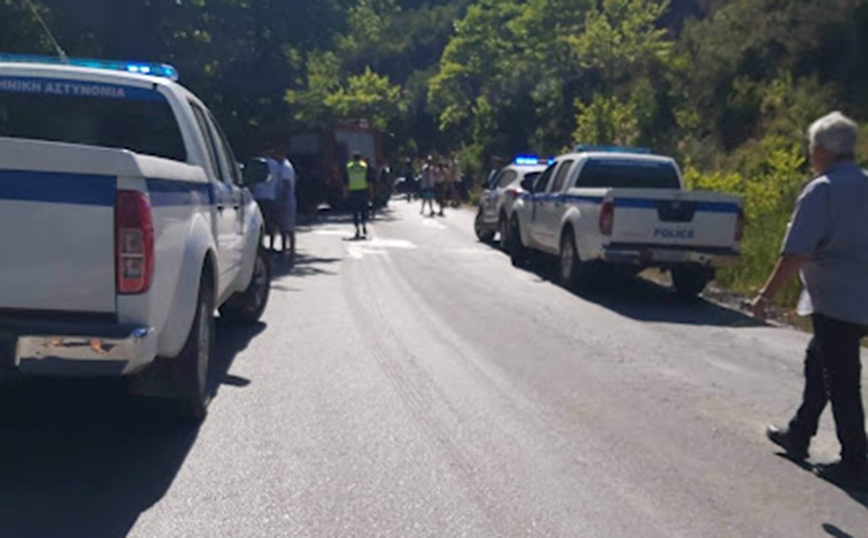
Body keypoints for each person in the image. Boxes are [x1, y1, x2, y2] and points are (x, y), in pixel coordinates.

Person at [751, 111, 868, 485]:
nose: (810, 153)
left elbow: (796, 252)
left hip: (836, 301)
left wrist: (765, 295)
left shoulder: (823, 190)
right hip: (862, 300)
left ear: (824, 149)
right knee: (818, 359)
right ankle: (799, 433)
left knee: (842, 379)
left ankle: (856, 461)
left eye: (812, 146)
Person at [274, 149, 297, 263]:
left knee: (289, 229)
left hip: (287, 201)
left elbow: (287, 186)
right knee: (283, 229)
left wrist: (283, 201)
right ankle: (284, 251)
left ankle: (291, 253)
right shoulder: (282, 166)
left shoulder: (285, 167)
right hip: (285, 200)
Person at [253, 152, 280, 251]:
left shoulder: (257, 163)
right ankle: (272, 245)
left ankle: (260, 244)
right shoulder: (275, 164)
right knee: (272, 222)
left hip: (259, 195)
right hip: (271, 196)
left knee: (259, 221)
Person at [344, 151, 373, 239]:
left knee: (355, 211)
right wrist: (371, 193)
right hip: (363, 191)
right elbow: (369, 181)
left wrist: (345, 193)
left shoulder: (348, 167)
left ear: (353, 158)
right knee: (364, 210)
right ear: (360, 158)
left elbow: (345, 182)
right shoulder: (364, 166)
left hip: (353, 191)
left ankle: (357, 229)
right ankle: (364, 224)